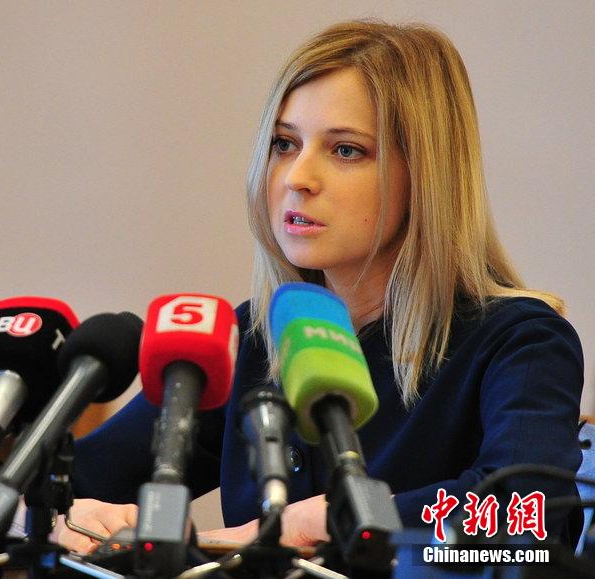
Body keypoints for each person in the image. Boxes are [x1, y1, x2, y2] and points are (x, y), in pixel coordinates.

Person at [57, 20, 584, 555]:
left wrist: (333, 519)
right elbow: (71, 482)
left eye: (346, 150)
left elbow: (530, 513)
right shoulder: (249, 339)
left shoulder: (520, 341)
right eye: (284, 144)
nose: (297, 177)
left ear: (426, 175)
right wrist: (71, 515)